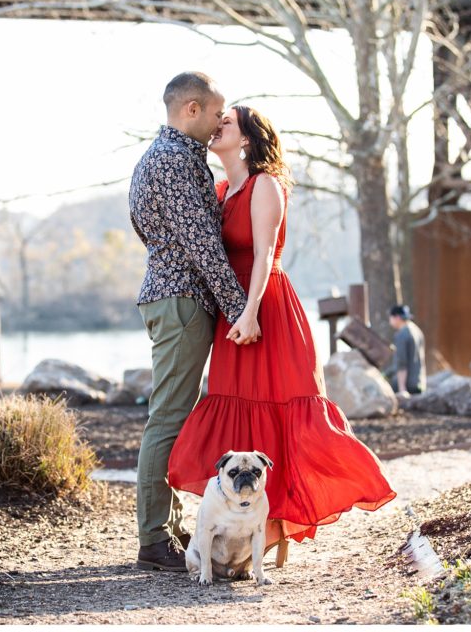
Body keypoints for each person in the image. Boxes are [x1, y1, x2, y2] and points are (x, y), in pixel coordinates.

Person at [168, 105, 397, 562]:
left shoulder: (265, 184)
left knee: (279, 410)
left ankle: (275, 529)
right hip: (232, 314)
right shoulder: (220, 189)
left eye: (226, 122)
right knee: (238, 413)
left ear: (248, 139)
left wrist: (249, 314)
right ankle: (245, 526)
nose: (216, 126)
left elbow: (266, 252)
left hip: (265, 309)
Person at [128, 72, 251, 572]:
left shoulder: (160, 158)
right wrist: (240, 307)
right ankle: (153, 540)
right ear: (192, 109)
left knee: (173, 414)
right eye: (218, 113)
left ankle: (166, 529)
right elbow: (202, 246)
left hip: (169, 297)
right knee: (168, 417)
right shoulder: (175, 161)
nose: (223, 121)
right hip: (180, 301)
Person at [388, 304, 426, 396]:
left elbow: (402, 362)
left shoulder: (402, 335)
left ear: (397, 317)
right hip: (419, 382)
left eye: (390, 317)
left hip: (407, 385)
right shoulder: (417, 330)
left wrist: (402, 388)